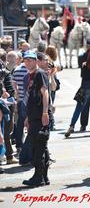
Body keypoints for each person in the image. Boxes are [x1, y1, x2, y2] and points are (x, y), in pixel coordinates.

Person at [22, 51, 51, 187]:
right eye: (25, 60)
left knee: (38, 148)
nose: (27, 63)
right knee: (41, 147)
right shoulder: (28, 76)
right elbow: (29, 98)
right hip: (33, 116)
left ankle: (38, 177)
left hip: (40, 116)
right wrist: (27, 117)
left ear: (35, 61)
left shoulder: (40, 74)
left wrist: (45, 112)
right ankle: (43, 177)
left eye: (30, 60)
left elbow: (45, 93)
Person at [65, 39, 90, 137]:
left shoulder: (84, 64)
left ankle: (71, 126)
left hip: (85, 87)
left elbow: (82, 75)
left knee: (78, 108)